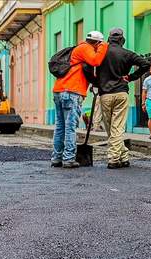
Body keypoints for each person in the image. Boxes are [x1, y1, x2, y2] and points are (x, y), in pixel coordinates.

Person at [51, 31, 108, 168]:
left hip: (60, 91)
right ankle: (69, 159)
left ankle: (57, 158)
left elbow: (86, 70)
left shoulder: (78, 51)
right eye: (99, 45)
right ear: (96, 42)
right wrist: (104, 46)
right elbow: (96, 60)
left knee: (60, 127)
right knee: (70, 127)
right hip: (71, 92)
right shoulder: (84, 48)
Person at [96, 27, 150, 169]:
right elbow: (146, 64)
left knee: (111, 128)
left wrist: (96, 82)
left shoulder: (100, 53)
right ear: (122, 39)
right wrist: (131, 77)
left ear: (109, 38)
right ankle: (123, 156)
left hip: (105, 94)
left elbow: (87, 67)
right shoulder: (127, 54)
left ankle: (113, 158)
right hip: (121, 93)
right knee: (117, 128)